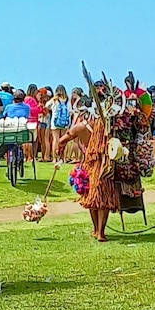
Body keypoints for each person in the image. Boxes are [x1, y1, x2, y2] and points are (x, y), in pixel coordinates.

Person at [58, 84, 121, 242]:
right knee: (103, 199)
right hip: (105, 165)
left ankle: (96, 230)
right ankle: (101, 232)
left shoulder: (81, 127)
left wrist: (60, 152)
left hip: (90, 165)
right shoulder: (109, 125)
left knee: (93, 198)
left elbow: (62, 140)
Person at [0, 94, 32, 182]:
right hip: (20, 133)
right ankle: (18, 161)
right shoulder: (27, 107)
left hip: (7, 134)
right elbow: (27, 116)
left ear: (14, 99)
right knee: (19, 145)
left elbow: (4, 115)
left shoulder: (9, 107)